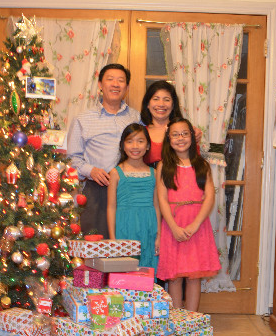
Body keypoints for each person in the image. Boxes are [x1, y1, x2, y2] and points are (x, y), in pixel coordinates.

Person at [67, 64, 140, 238]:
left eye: (121, 80)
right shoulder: (83, 119)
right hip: (98, 190)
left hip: (131, 190)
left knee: (130, 243)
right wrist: (91, 170)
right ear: (100, 84)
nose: (115, 84)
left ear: (126, 87)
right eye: (110, 79)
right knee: (96, 245)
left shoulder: (136, 117)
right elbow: (71, 159)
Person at [156, 117, 220, 311]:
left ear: (192, 137)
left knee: (194, 276)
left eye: (185, 134)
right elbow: (162, 199)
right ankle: (177, 319)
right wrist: (173, 227)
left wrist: (195, 225)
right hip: (173, 225)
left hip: (197, 226)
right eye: (175, 134)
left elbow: (209, 196)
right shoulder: (163, 166)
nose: (180, 138)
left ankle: (191, 319)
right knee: (174, 277)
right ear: (168, 139)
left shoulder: (202, 165)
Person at [107, 123, 160, 271]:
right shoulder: (116, 173)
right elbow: (111, 207)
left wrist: (159, 236)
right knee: (126, 271)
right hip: (125, 226)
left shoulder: (154, 173)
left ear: (147, 146)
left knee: (147, 270)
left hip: (149, 227)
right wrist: (112, 239)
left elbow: (157, 206)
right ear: (123, 146)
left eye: (140, 141)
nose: (135, 146)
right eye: (130, 141)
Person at [141, 80, 202, 166]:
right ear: (147, 104)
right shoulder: (141, 133)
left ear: (173, 105)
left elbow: (196, 164)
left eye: (166, 100)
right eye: (156, 99)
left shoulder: (186, 132)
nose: (161, 104)